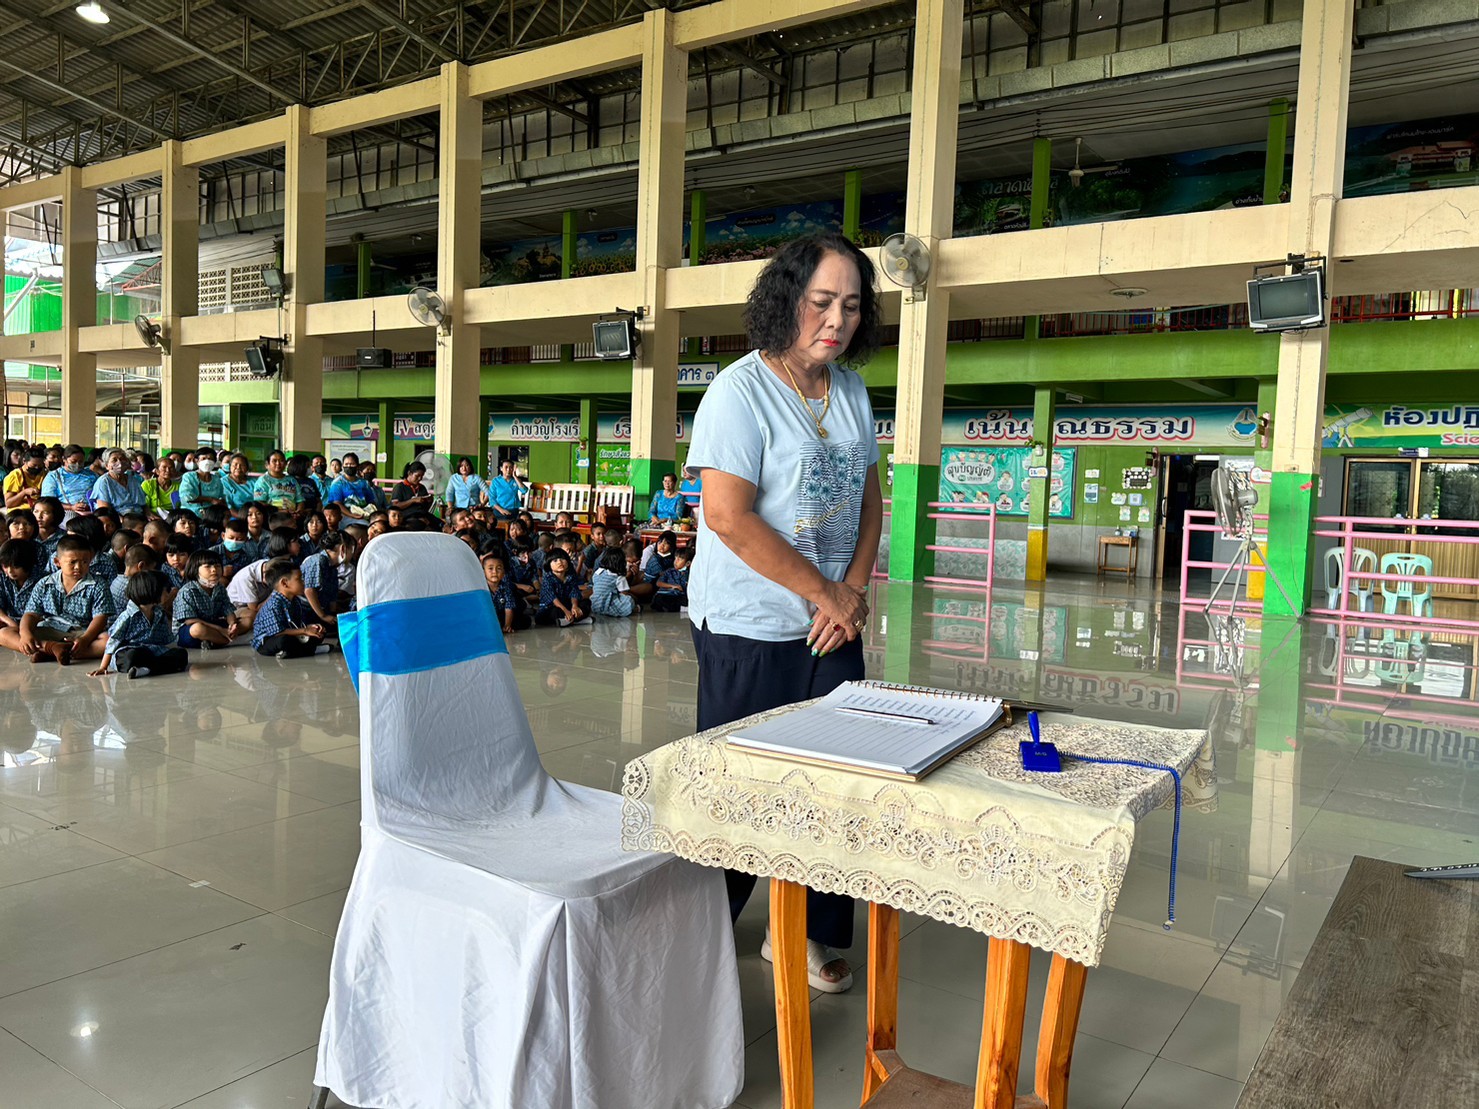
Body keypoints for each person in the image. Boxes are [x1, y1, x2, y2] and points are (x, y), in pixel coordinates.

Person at [686, 230, 884, 994]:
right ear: (785, 300)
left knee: (833, 782)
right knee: (744, 786)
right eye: (821, 301)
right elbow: (727, 516)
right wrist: (823, 591)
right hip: (750, 625)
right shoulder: (739, 392)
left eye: (852, 305)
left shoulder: (851, 391)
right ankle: (705, 925)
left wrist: (849, 593)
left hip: (831, 625)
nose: (836, 320)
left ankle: (797, 928)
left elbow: (869, 501)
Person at [19, 533, 115, 664]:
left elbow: (100, 617)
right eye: (72, 562)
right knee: (6, 633)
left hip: (82, 632)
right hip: (50, 629)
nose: (78, 567)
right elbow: (31, 614)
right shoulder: (44, 583)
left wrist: (85, 639)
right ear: (57, 562)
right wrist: (25, 634)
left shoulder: (98, 585)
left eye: (84, 562)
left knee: (108, 640)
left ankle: (49, 651)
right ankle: (56, 649)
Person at [91, 570, 189, 679]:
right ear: (152, 592)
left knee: (181, 654)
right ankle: (154, 667)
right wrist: (103, 667)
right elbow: (113, 642)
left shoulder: (159, 613)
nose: (168, 594)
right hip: (130, 651)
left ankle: (145, 670)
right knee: (132, 657)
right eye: (165, 591)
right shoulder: (127, 616)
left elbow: (166, 640)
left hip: (152, 651)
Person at [252, 558, 329, 658]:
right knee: (284, 641)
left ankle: (297, 651)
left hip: (291, 633)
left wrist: (312, 628)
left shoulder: (295, 600)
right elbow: (278, 632)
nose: (303, 582)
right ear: (284, 583)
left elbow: (297, 623)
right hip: (269, 641)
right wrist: (305, 631)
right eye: (299, 579)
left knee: (319, 632)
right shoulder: (273, 604)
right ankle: (311, 650)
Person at [173, 549, 239, 649]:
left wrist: (232, 625)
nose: (214, 570)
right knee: (198, 629)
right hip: (188, 630)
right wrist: (220, 629)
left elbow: (228, 609)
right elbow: (189, 621)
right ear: (195, 570)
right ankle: (223, 640)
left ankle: (213, 639)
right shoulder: (187, 591)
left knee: (247, 621)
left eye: (217, 566)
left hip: (211, 624)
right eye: (208, 566)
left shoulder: (220, 588)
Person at [0, 538, 41, 655]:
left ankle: (39, 649)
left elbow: (42, 614)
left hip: (35, 625)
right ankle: (44, 649)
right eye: (6, 566)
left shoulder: (42, 579)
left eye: (15, 566)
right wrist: (10, 622)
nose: (10, 571)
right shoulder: (2, 578)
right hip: (10, 622)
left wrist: (24, 628)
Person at [301, 530, 347, 624]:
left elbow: (332, 596)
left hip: (321, 609)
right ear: (343, 549)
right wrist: (323, 616)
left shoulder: (333, 566)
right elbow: (309, 591)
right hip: (306, 609)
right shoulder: (318, 560)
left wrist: (334, 614)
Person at [40, 444, 95, 520]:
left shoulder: (91, 475)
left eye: (81, 462)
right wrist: (71, 507)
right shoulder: (54, 476)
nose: (77, 464)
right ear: (64, 459)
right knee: (73, 520)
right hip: (66, 511)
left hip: (91, 509)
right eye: (73, 461)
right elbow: (48, 501)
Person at [533, 549, 587, 626]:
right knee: (550, 614)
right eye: (555, 560)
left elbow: (574, 592)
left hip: (567, 604)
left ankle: (568, 621)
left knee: (586, 603)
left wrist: (574, 606)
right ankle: (576, 620)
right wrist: (566, 611)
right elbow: (553, 598)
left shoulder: (571, 576)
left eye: (562, 559)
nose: (559, 562)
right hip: (553, 606)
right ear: (549, 564)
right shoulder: (547, 578)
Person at [481, 551, 531, 634]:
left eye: (499, 568)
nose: (495, 572)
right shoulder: (482, 588)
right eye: (490, 568)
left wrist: (507, 626)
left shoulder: (506, 587)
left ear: (503, 572)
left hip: (502, 615)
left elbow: (508, 608)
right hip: (488, 616)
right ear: (483, 572)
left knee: (525, 621)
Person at [92, 449, 147, 514]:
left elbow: (143, 504)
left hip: (138, 515)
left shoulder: (133, 480)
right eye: (114, 460)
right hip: (117, 517)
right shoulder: (103, 482)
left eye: (122, 459)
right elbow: (104, 511)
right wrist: (121, 518)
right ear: (107, 466)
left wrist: (148, 513)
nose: (119, 462)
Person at [590, 547, 640, 617]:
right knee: (629, 600)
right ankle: (634, 609)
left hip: (595, 606)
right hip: (607, 606)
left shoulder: (598, 572)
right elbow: (625, 593)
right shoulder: (619, 577)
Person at [178, 447, 226, 516]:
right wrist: (210, 500)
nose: (207, 461)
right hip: (191, 513)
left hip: (211, 514)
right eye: (203, 458)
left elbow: (223, 496)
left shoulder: (216, 479)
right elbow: (187, 496)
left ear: (215, 462)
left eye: (210, 459)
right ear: (197, 461)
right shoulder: (189, 477)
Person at [3, 446, 46, 516]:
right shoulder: (15, 476)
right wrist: (24, 492)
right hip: (20, 512)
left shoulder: (45, 474)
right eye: (34, 465)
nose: (37, 468)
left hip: (40, 511)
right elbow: (9, 503)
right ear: (24, 461)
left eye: (40, 465)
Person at [651, 548, 691, 612]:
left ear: (688, 563)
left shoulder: (690, 573)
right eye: (675, 558)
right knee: (659, 599)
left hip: (680, 595)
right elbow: (658, 583)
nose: (676, 561)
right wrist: (672, 586)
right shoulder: (669, 571)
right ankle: (679, 608)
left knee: (687, 599)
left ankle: (674, 608)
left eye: (680, 559)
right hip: (667, 594)